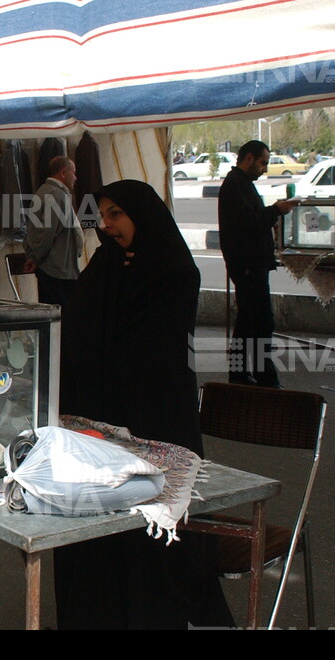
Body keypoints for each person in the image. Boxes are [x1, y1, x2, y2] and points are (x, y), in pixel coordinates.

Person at [54, 179, 234, 629]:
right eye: (105, 216)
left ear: (143, 214)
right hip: (103, 416)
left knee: (152, 528)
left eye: (118, 214)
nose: (109, 226)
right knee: (98, 531)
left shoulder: (174, 269)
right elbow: (77, 324)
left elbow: (150, 350)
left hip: (156, 416)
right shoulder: (107, 263)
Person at [218, 140, 298, 388]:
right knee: (261, 323)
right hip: (248, 265)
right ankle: (265, 379)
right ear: (249, 158)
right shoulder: (235, 185)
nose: (264, 169)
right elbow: (247, 224)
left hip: (250, 264)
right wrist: (275, 211)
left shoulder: (241, 185)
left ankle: (240, 375)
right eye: (263, 162)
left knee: (247, 323)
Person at [23, 156, 84, 306]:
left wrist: (33, 257)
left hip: (49, 268)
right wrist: (35, 258)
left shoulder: (43, 192)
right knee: (65, 317)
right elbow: (47, 233)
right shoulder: (56, 195)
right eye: (73, 172)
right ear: (63, 172)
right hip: (58, 271)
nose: (75, 178)